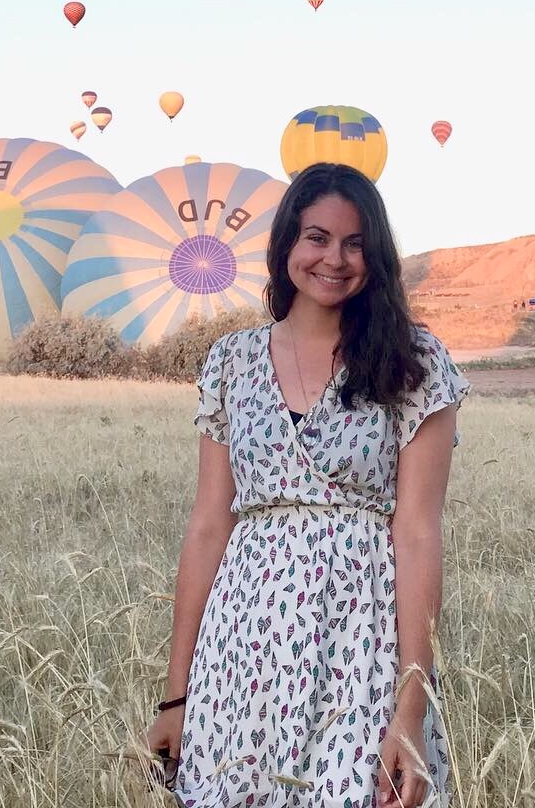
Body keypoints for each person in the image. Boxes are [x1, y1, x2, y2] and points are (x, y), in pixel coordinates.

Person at [145, 162, 472, 807]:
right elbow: (210, 524)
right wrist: (177, 693)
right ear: (286, 244)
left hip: (363, 639)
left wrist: (412, 704)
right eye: (317, 237)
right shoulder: (231, 364)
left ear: (376, 257)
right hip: (242, 642)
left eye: (356, 244)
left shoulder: (414, 361)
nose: (335, 259)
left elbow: (417, 532)